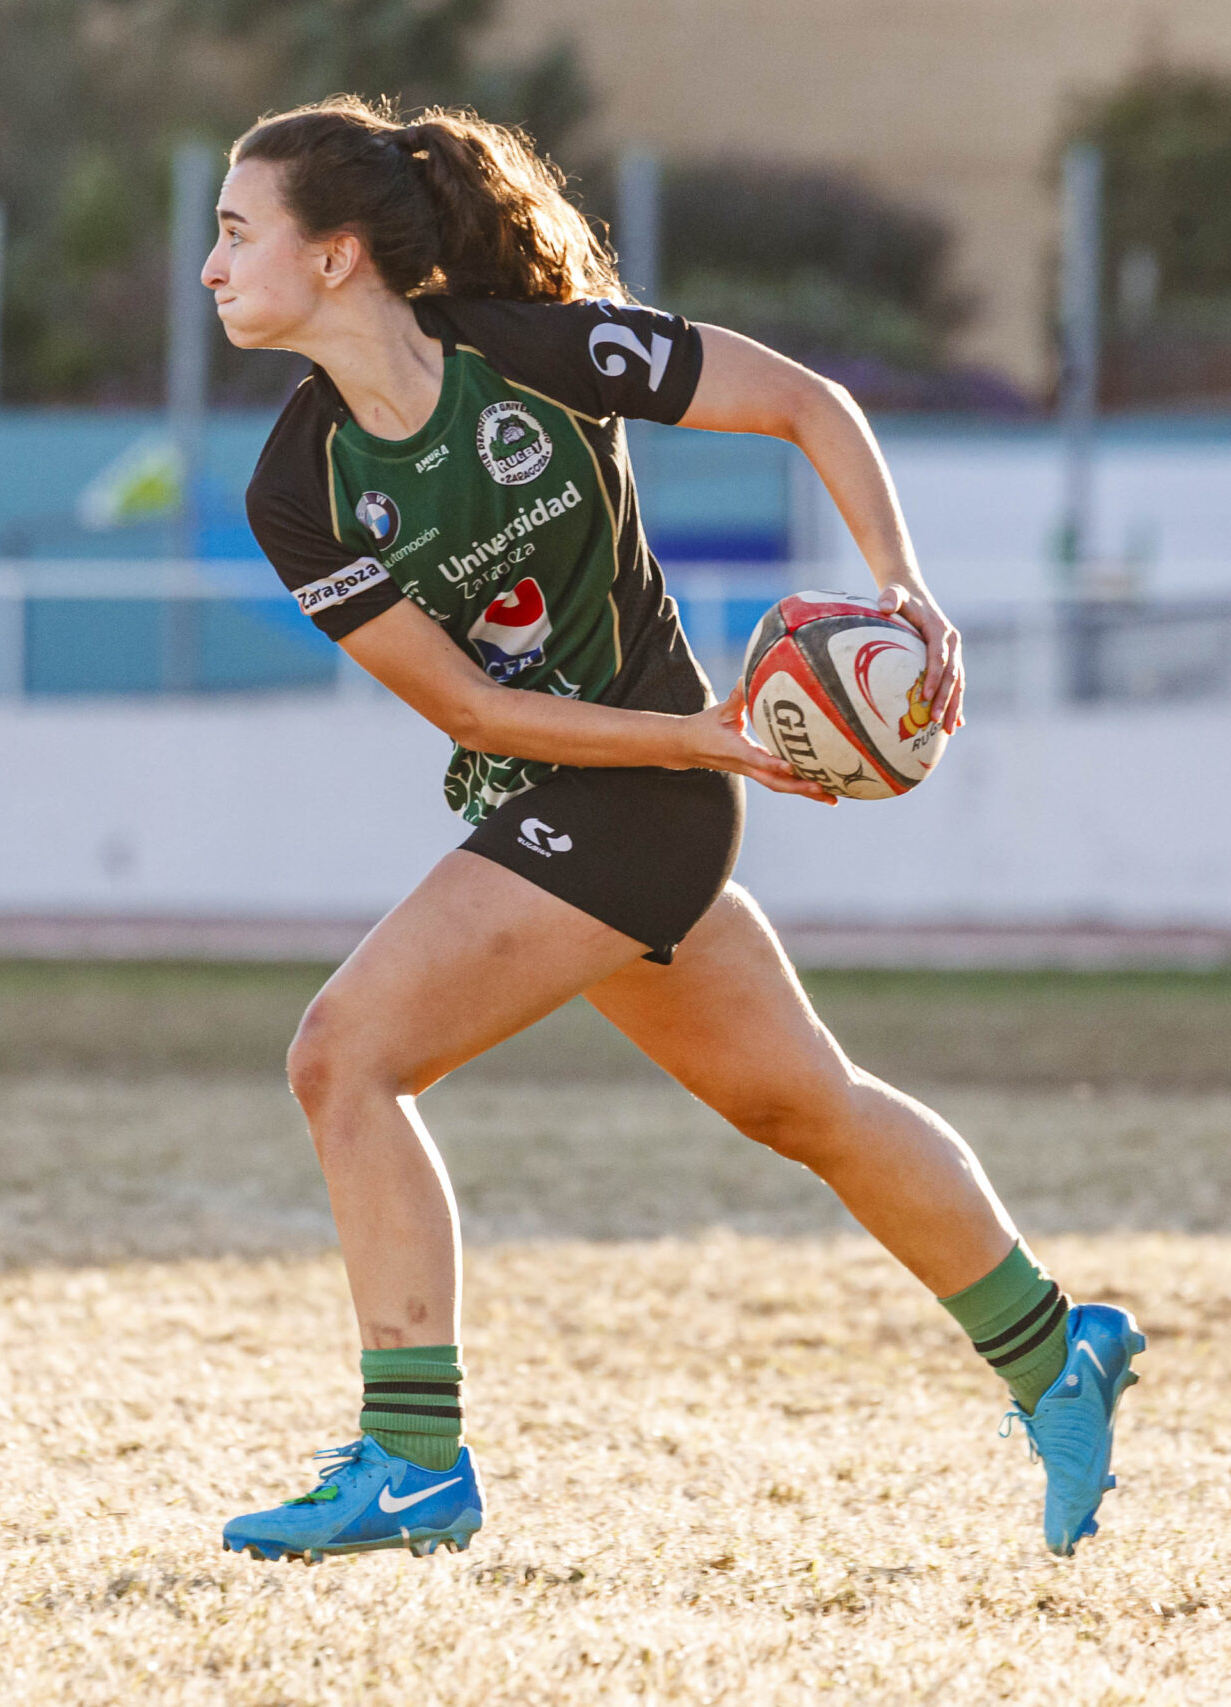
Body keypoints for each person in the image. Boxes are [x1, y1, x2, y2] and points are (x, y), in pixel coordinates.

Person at [204, 96, 1142, 1564]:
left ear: (335, 259)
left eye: (235, 229)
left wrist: (900, 584)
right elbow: (471, 712)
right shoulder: (295, 487)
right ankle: (1050, 1348)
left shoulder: (531, 350)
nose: (211, 266)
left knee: (346, 1055)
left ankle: (411, 1459)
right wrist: (702, 738)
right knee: (803, 1105)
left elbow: (805, 405)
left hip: (641, 804)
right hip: (587, 781)